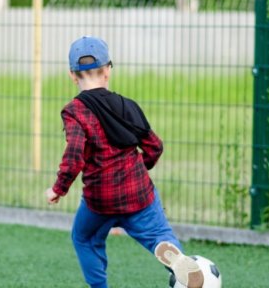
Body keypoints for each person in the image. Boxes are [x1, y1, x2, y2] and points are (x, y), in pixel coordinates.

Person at [45, 36, 204, 288]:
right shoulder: (127, 106)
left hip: (99, 199)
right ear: (108, 70)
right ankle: (171, 254)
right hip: (137, 193)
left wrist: (58, 188)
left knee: (84, 238)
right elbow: (155, 146)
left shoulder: (74, 111)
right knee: (159, 233)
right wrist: (142, 166)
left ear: (72, 75)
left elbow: (74, 154)